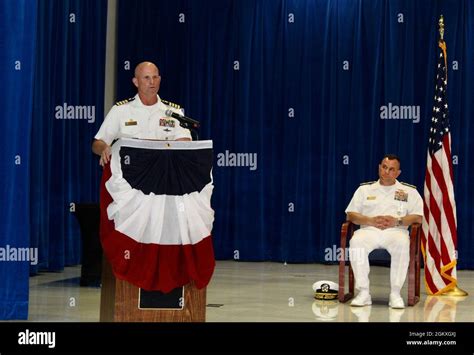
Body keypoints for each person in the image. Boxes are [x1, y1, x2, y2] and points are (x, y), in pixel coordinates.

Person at [345, 154, 423, 309]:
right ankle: (364, 293)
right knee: (356, 241)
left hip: (396, 231)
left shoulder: (409, 191)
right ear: (379, 168)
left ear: (398, 173)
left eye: (392, 169)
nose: (387, 171)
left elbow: (418, 217)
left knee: (402, 243)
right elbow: (350, 214)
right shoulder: (364, 189)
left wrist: (397, 221)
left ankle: (395, 293)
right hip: (369, 230)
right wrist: (370, 220)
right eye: (384, 167)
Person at [92, 61, 191, 166]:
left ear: (160, 80)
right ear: (136, 82)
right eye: (146, 78)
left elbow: (184, 145)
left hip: (163, 173)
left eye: (155, 77)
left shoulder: (173, 112)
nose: (152, 82)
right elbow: (97, 144)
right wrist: (104, 149)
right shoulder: (120, 110)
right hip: (128, 175)